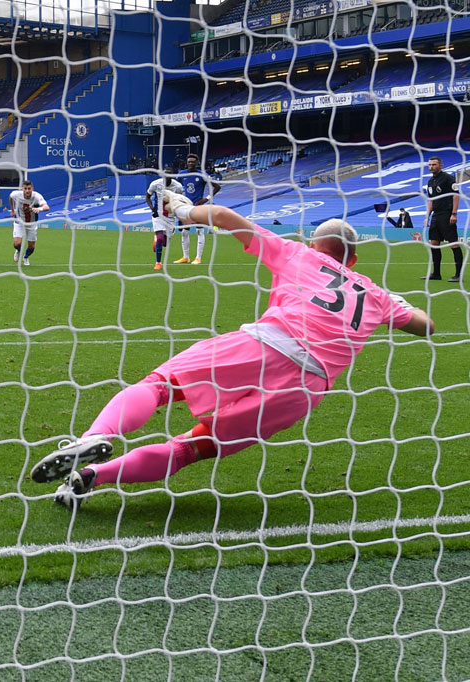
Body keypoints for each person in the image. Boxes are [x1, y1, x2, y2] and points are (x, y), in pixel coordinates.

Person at [30, 192, 434, 509]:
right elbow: (425, 325)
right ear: (355, 258)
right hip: (307, 388)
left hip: (267, 344)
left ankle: (94, 436)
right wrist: (394, 302)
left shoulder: (299, 252)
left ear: (315, 242)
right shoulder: (377, 296)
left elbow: (224, 217)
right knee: (194, 447)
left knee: (160, 386)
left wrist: (184, 210)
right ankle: (94, 477)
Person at [174, 153, 222, 265]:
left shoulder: (202, 175)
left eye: (193, 162)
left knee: (199, 231)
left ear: (197, 163)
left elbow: (217, 187)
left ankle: (198, 258)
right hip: (185, 207)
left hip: (198, 207)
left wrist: (206, 199)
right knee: (184, 232)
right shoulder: (181, 174)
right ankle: (185, 257)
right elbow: (176, 187)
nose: (190, 163)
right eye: (189, 161)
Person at [423, 157, 463, 283]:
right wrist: (427, 216)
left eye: (434, 164)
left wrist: (454, 213)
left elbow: (456, 196)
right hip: (436, 215)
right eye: (429, 165)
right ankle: (436, 273)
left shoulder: (447, 178)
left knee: (453, 244)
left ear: (440, 165)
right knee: (434, 244)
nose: (431, 167)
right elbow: (431, 200)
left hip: (447, 214)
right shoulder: (430, 181)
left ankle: (458, 275)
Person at [144, 167, 184, 271]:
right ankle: (158, 263)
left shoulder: (178, 187)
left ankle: (156, 240)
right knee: (160, 238)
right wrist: (153, 209)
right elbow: (147, 197)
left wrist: (180, 217)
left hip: (170, 217)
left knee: (165, 243)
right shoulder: (155, 184)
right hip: (158, 215)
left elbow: (180, 201)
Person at [9, 180, 49, 266]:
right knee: (17, 243)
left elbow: (46, 207)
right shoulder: (16, 194)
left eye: (29, 188)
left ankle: (25, 257)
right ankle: (18, 250)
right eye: (25, 188)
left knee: (31, 247)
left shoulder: (37, 196)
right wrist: (12, 210)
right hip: (19, 221)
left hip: (32, 223)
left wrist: (39, 209)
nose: (27, 191)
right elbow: (10, 197)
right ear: (22, 189)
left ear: (32, 189)